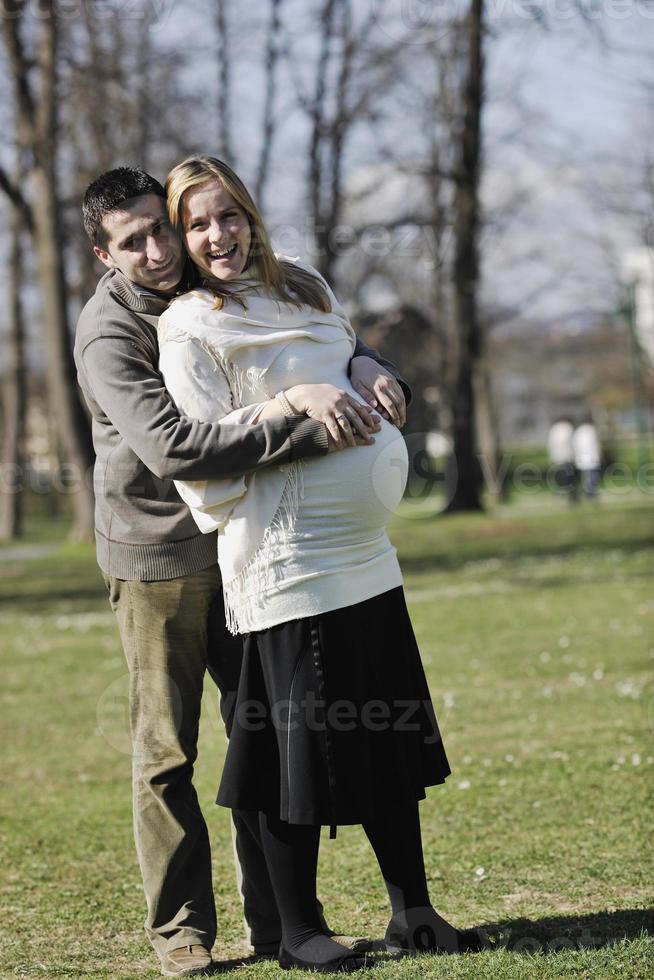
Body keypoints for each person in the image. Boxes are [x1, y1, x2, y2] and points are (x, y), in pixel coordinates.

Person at [74, 166, 410, 978]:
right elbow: (176, 449)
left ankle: (283, 925)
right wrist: (306, 418)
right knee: (166, 750)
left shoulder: (209, 267)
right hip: (159, 556)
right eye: (134, 241)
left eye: (163, 227)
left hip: (244, 547)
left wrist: (360, 359)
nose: (160, 250)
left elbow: (306, 323)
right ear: (101, 254)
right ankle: (182, 933)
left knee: (258, 736)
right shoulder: (109, 334)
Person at [159, 155, 485, 973]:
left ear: (250, 213)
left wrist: (374, 367)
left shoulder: (303, 283)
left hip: (368, 559)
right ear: (182, 235)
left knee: (389, 732)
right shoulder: (189, 325)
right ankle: (300, 928)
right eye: (198, 223)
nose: (217, 234)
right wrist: (292, 402)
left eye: (228, 214)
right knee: (291, 750)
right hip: (283, 567)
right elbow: (205, 457)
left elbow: (346, 351)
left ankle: (413, 910)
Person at [547, 417, 577, 504]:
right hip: (567, 457)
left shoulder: (554, 429)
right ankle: (570, 495)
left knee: (560, 476)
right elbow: (572, 443)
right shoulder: (568, 428)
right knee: (568, 477)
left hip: (557, 457)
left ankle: (560, 493)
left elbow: (551, 444)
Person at [573, 417, 601, 500]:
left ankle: (588, 491)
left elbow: (575, 445)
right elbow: (596, 444)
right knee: (592, 476)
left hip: (582, 457)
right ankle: (590, 492)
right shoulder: (592, 430)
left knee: (586, 476)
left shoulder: (578, 431)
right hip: (591, 456)